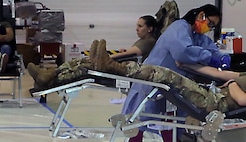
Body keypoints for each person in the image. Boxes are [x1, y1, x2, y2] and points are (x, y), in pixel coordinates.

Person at [120, 4, 228, 142]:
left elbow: (210, 48)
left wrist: (221, 56)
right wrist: (209, 58)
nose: (210, 28)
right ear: (201, 15)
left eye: (213, 26)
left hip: (171, 84)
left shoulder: (197, 35)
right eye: (211, 23)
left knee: (172, 121)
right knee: (138, 121)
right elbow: (182, 52)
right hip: (151, 80)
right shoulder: (179, 27)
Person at [89, 40, 246, 114]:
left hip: (216, 103)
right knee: (169, 75)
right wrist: (189, 64)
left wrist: (233, 84)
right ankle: (109, 66)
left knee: (165, 75)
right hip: (212, 94)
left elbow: (243, 100)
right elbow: (221, 74)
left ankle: (112, 67)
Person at [26, 15, 159, 92]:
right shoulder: (144, 40)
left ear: (150, 29)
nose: (137, 29)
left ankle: (49, 77)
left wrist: (106, 58)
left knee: (84, 67)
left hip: (122, 72)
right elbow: (130, 53)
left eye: (140, 26)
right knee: (79, 63)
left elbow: (130, 53)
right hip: (122, 67)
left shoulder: (148, 41)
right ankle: (49, 75)